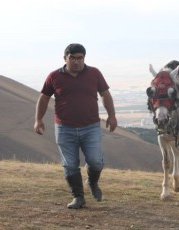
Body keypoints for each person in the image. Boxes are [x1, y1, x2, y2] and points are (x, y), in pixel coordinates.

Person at [34, 43, 117, 209]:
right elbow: (44, 98)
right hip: (64, 128)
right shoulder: (54, 76)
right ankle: (78, 197)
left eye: (80, 58)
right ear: (65, 58)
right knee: (70, 164)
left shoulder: (94, 73)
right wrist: (38, 119)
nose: (77, 62)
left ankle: (92, 183)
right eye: (73, 58)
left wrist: (112, 115)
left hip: (91, 127)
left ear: (84, 58)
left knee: (95, 162)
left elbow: (105, 94)